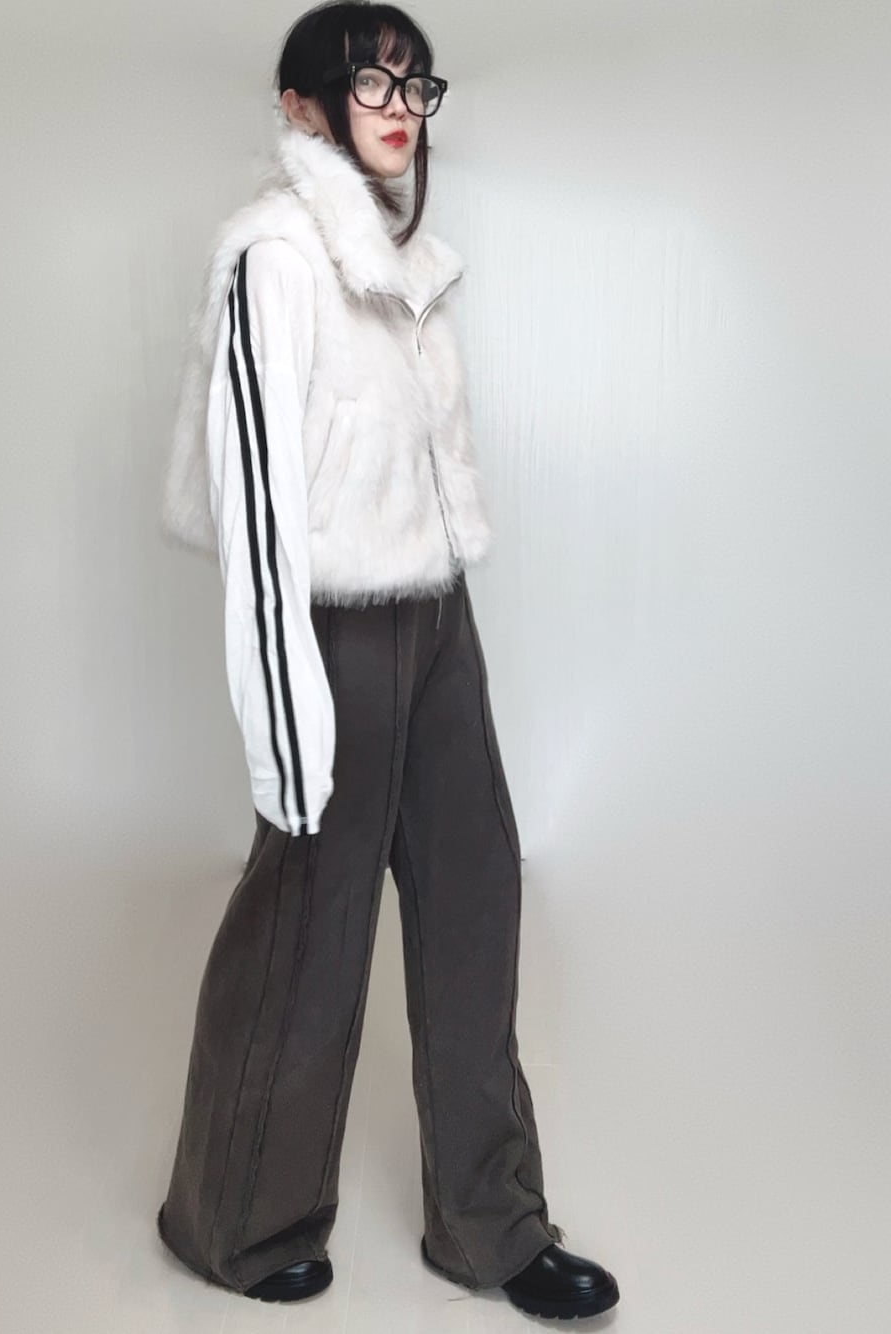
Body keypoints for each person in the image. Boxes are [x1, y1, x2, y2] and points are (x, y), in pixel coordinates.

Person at [156, 1, 620, 1321]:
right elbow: (257, 506)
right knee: (313, 911)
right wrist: (283, 719)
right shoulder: (273, 255)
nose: (400, 105)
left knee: (477, 892)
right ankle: (237, 1222)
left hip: (434, 611)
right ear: (303, 104)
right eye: (370, 80)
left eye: (415, 82)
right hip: (330, 624)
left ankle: (490, 1223)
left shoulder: (402, 262)